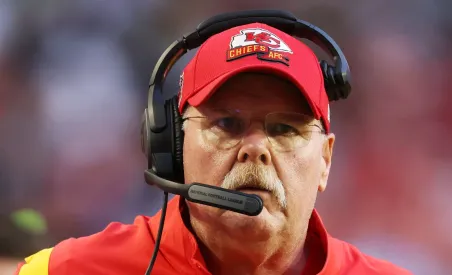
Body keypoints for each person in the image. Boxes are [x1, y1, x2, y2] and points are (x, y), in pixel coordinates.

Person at [14, 19, 413, 275]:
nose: (255, 148)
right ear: (172, 143)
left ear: (325, 161)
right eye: (227, 123)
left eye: (284, 129)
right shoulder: (67, 270)